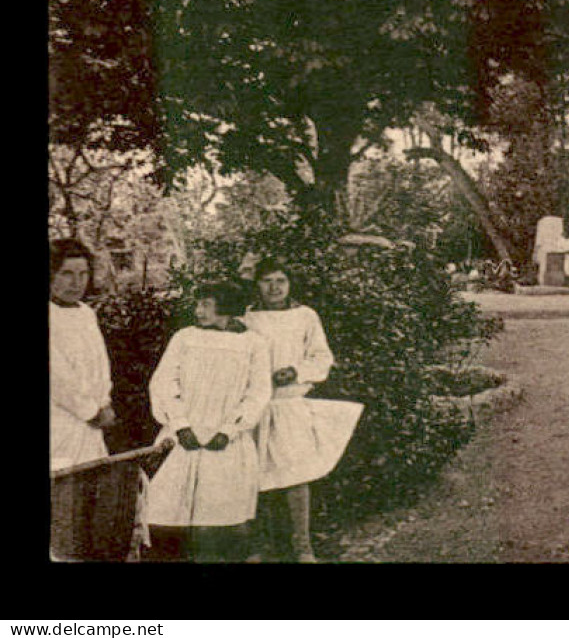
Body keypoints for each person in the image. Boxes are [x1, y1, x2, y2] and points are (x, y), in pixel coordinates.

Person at [241, 259, 364, 564]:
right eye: (267, 281)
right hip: (257, 406)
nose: (274, 287)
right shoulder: (247, 319)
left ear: (290, 284)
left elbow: (322, 357)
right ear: (257, 284)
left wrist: (295, 371)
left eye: (280, 281)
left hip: (290, 404)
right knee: (256, 475)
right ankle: (261, 544)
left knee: (295, 476)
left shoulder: (305, 316)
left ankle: (302, 547)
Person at [144, 280, 272, 562]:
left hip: (226, 442)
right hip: (184, 438)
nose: (198, 310)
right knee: (163, 513)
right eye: (198, 303)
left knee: (220, 518)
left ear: (225, 307)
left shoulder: (253, 343)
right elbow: (164, 382)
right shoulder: (184, 338)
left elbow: (258, 392)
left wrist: (229, 430)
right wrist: (180, 425)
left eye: (206, 304)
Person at [49, 238, 115, 471]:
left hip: (92, 424)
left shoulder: (86, 313)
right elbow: (57, 378)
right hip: (59, 423)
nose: (76, 283)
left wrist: (104, 402)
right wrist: (90, 411)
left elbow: (100, 364)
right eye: (66, 273)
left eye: (83, 274)